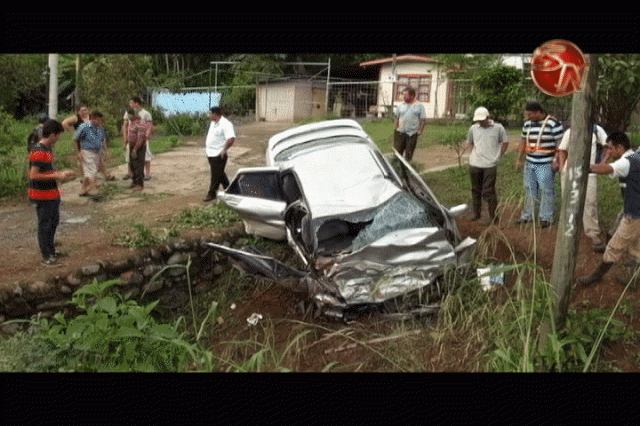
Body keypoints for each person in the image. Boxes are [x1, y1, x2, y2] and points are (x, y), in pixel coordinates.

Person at [578, 132, 640, 287]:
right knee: (637, 248)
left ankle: (596, 276)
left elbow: (599, 169)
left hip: (635, 213)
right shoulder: (633, 158)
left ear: (620, 147)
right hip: (635, 209)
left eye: (609, 148)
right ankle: (633, 280)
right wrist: (608, 157)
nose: (607, 151)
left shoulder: (626, 162)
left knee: (615, 246)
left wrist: (580, 166)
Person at [554, 122, 608, 252]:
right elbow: (562, 150)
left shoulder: (596, 130)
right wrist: (562, 168)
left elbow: (608, 146)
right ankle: (569, 230)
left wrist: (602, 163)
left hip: (589, 172)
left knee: (590, 202)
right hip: (570, 171)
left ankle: (593, 233)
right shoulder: (570, 131)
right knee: (569, 201)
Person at [28, 120, 75, 266]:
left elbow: (47, 171)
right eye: (59, 135)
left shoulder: (48, 149)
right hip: (42, 194)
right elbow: (33, 175)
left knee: (54, 221)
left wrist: (60, 173)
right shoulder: (38, 150)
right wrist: (57, 176)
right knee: (45, 224)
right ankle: (46, 255)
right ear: (53, 135)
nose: (59, 139)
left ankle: (51, 250)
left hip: (51, 192)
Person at [515, 102, 564, 228]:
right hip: (530, 162)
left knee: (546, 190)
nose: (528, 116)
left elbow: (560, 143)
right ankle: (527, 215)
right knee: (529, 189)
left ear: (538, 112)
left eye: (530, 114)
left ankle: (546, 217)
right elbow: (523, 141)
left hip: (546, 164)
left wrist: (558, 160)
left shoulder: (553, 123)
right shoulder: (527, 124)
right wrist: (519, 160)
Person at [465, 107, 509, 224]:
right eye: (478, 120)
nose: (480, 122)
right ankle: (476, 213)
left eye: (482, 120)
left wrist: (498, 155)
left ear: (488, 118)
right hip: (475, 164)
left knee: (488, 191)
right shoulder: (473, 128)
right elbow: (470, 142)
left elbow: (505, 142)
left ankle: (493, 217)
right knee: (475, 190)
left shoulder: (498, 128)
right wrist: (474, 153)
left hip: (490, 164)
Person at [73, 111, 109, 197]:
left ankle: (83, 190)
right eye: (98, 120)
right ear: (93, 118)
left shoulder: (100, 129)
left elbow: (102, 141)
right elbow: (75, 140)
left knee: (89, 173)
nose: (100, 122)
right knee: (92, 173)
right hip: (87, 152)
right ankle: (94, 191)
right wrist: (78, 152)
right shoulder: (84, 127)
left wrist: (105, 152)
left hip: (97, 152)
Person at [204, 107, 235, 202]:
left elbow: (231, 139)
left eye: (210, 114)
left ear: (215, 114)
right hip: (210, 153)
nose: (209, 116)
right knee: (220, 174)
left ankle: (212, 193)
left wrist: (224, 150)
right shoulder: (213, 123)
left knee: (215, 175)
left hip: (219, 154)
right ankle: (231, 190)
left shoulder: (225, 124)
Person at [122, 97, 153, 180]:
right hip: (132, 138)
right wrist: (125, 137)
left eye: (132, 103)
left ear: (137, 103)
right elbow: (125, 125)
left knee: (145, 155)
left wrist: (146, 137)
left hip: (141, 138)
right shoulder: (128, 112)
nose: (130, 104)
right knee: (129, 155)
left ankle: (147, 173)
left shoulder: (145, 113)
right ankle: (130, 173)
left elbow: (149, 126)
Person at [394, 87, 426, 161]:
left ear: (412, 96)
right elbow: (396, 118)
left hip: (412, 135)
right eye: (403, 95)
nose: (403, 97)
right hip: (400, 133)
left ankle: (406, 170)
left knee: (409, 154)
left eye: (405, 95)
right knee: (397, 154)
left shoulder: (419, 106)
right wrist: (396, 129)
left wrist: (420, 130)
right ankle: (397, 169)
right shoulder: (400, 106)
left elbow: (423, 120)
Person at [124, 110, 148, 191]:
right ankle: (134, 182)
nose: (128, 117)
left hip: (139, 146)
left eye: (129, 115)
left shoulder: (140, 123)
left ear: (133, 115)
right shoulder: (131, 123)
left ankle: (140, 184)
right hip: (132, 146)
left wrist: (135, 149)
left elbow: (140, 138)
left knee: (139, 165)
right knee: (132, 164)